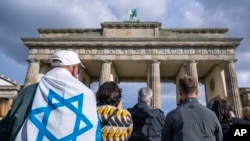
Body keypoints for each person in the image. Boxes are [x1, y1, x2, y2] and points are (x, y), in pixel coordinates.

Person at [1, 50, 101, 141]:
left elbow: (12, 123)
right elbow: (94, 129)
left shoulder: (29, 91)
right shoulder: (87, 95)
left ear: (51, 67)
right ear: (74, 69)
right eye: (78, 70)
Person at [162, 75, 222, 141]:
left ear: (180, 93)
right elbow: (219, 138)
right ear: (197, 92)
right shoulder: (212, 115)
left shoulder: (172, 116)